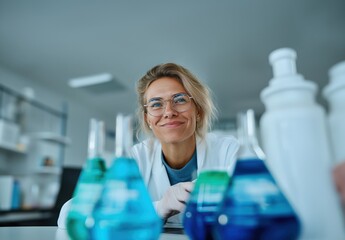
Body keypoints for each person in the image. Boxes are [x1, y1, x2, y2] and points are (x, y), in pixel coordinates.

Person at [57, 63, 239, 228]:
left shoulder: (227, 150)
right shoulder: (134, 159)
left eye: (180, 100)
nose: (169, 112)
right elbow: (70, 214)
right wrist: (159, 207)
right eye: (156, 104)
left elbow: (256, 202)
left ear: (198, 110)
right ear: (148, 119)